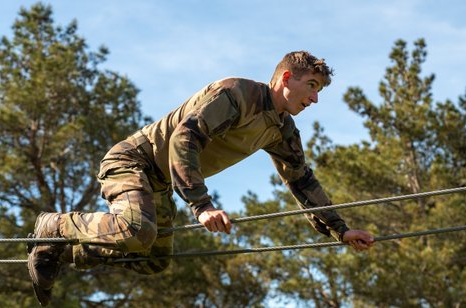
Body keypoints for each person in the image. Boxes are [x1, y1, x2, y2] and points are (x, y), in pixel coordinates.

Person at [27, 51, 375, 305]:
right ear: (286, 79)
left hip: (161, 181)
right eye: (311, 86)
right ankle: (55, 226)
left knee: (153, 261)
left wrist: (340, 229)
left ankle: (60, 251)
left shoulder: (282, 130)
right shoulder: (236, 94)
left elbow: (302, 182)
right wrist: (202, 205)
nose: (314, 98)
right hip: (134, 160)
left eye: (319, 91)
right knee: (137, 230)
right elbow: (184, 138)